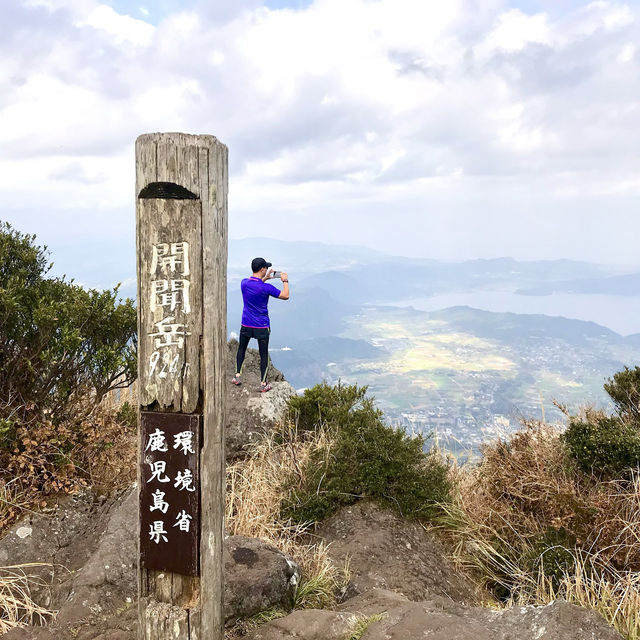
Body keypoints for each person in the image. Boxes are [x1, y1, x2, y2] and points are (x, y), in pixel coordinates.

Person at [232, 257, 289, 392]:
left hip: (246, 324)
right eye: (266, 268)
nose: (267, 270)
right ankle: (263, 384)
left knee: (241, 349)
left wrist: (266, 278)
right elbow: (285, 295)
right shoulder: (266, 288)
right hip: (262, 326)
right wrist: (285, 280)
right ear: (263, 269)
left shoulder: (244, 283)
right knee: (263, 355)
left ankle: (236, 376)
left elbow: (256, 285)